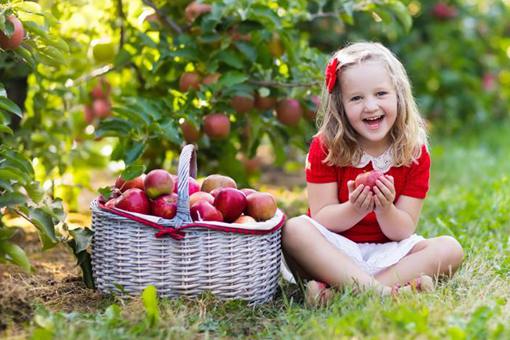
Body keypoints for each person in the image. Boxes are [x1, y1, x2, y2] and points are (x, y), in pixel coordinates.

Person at [281, 42, 464, 305]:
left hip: (389, 255)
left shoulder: (414, 151)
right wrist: (355, 208)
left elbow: (402, 230)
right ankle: (385, 293)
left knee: (450, 248)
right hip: (333, 252)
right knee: (294, 229)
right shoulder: (326, 147)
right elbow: (322, 218)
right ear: (341, 105)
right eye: (356, 98)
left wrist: (385, 208)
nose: (370, 106)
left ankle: (347, 291)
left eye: (380, 93)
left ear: (398, 95)